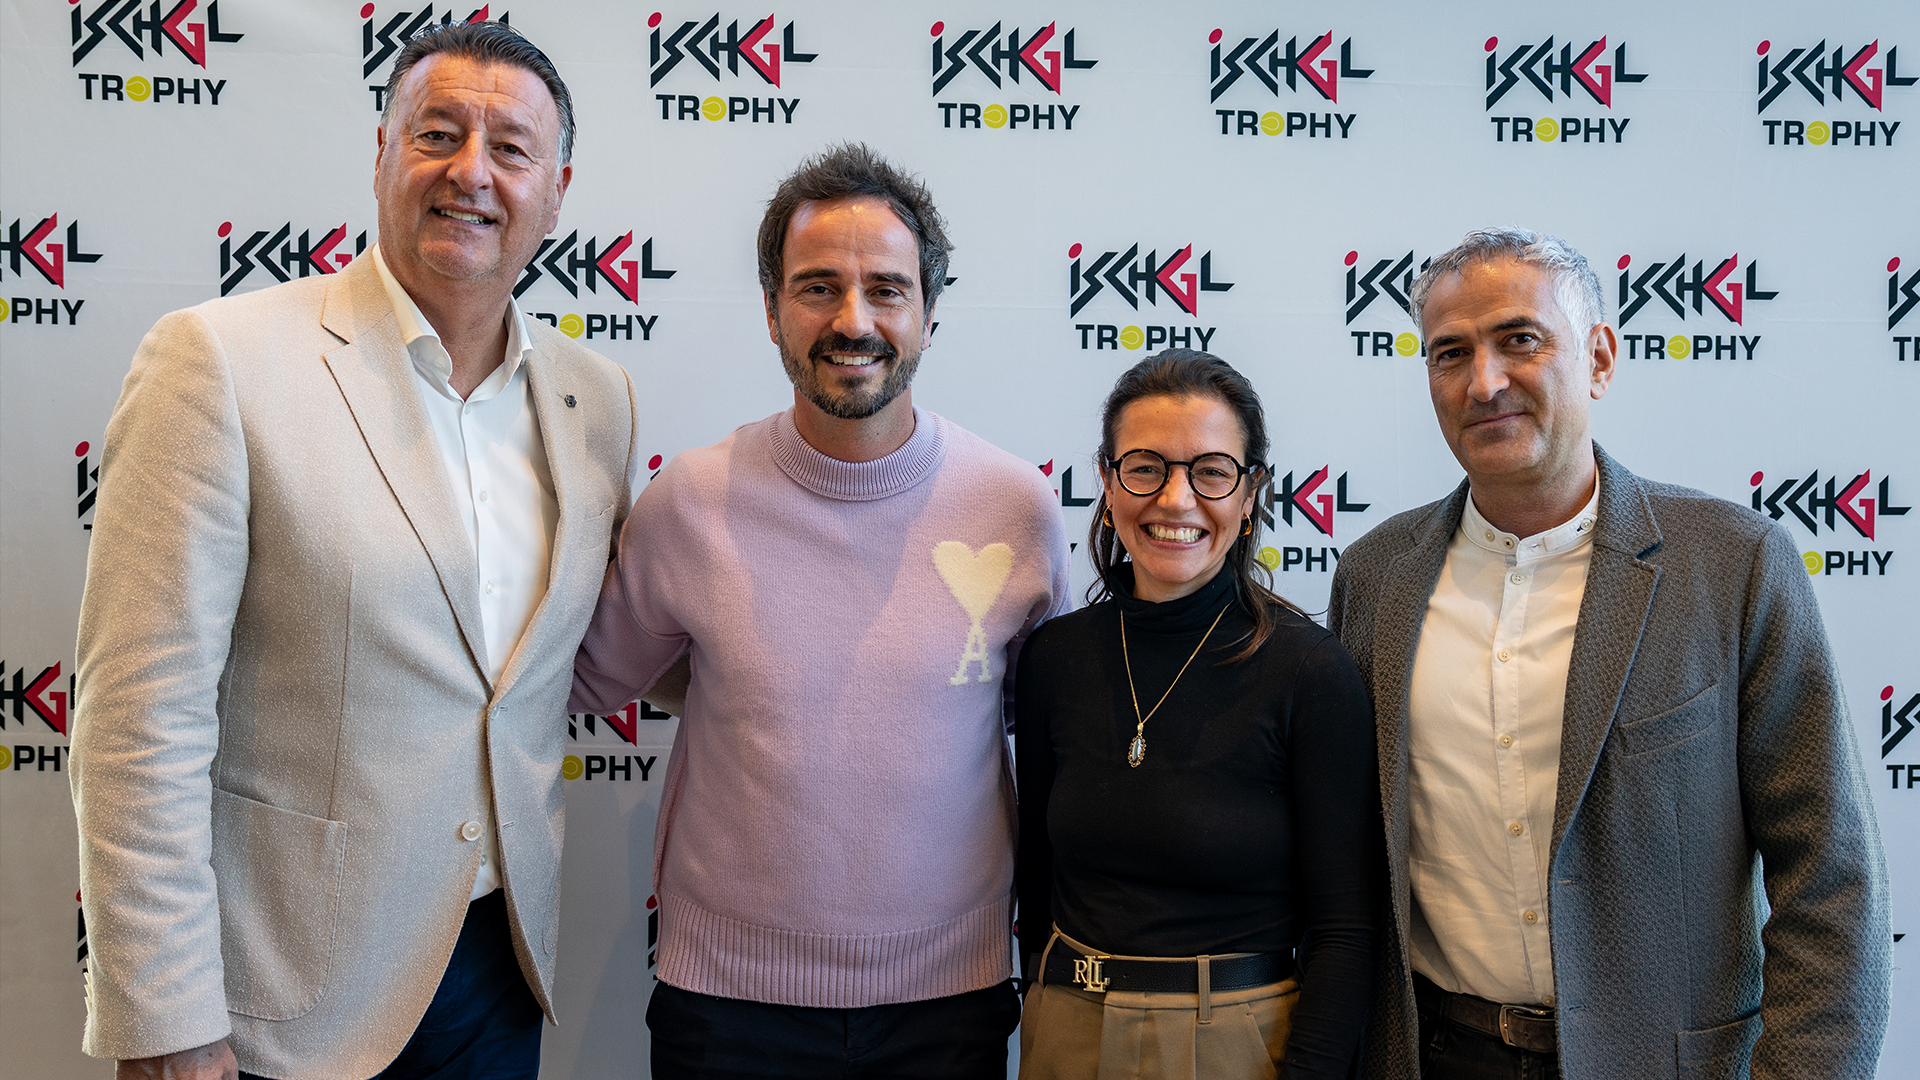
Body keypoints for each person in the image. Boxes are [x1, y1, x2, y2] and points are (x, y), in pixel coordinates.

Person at [68, 22, 636, 1080]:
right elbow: (139, 718)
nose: (472, 172)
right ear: (382, 154)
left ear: (557, 192)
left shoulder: (594, 399)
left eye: (512, 149)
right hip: (279, 998)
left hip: (500, 972)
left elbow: (600, 644)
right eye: (438, 134)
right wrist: (166, 1015)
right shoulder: (220, 362)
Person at [1328, 227, 1890, 1079]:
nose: (1484, 382)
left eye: (1520, 339)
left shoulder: (1732, 564)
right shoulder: (1376, 578)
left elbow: (1831, 877)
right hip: (1434, 1055)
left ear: (1598, 358)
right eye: (1451, 354)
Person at [570, 143, 1072, 1080]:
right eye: (817, 288)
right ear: (771, 311)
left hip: (949, 1004)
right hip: (727, 1008)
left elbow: (1052, 731)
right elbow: (581, 680)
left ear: (929, 313)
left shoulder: (1017, 508)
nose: (854, 320)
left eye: (886, 289)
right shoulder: (692, 501)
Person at [1013, 350, 1381, 1079]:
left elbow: (1347, 929)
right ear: (1107, 482)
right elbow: (1037, 877)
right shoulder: (1054, 656)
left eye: (1211, 472)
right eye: (1145, 468)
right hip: (1066, 1029)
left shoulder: (1310, 671)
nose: (1175, 500)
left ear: (1250, 495)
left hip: (1240, 1041)